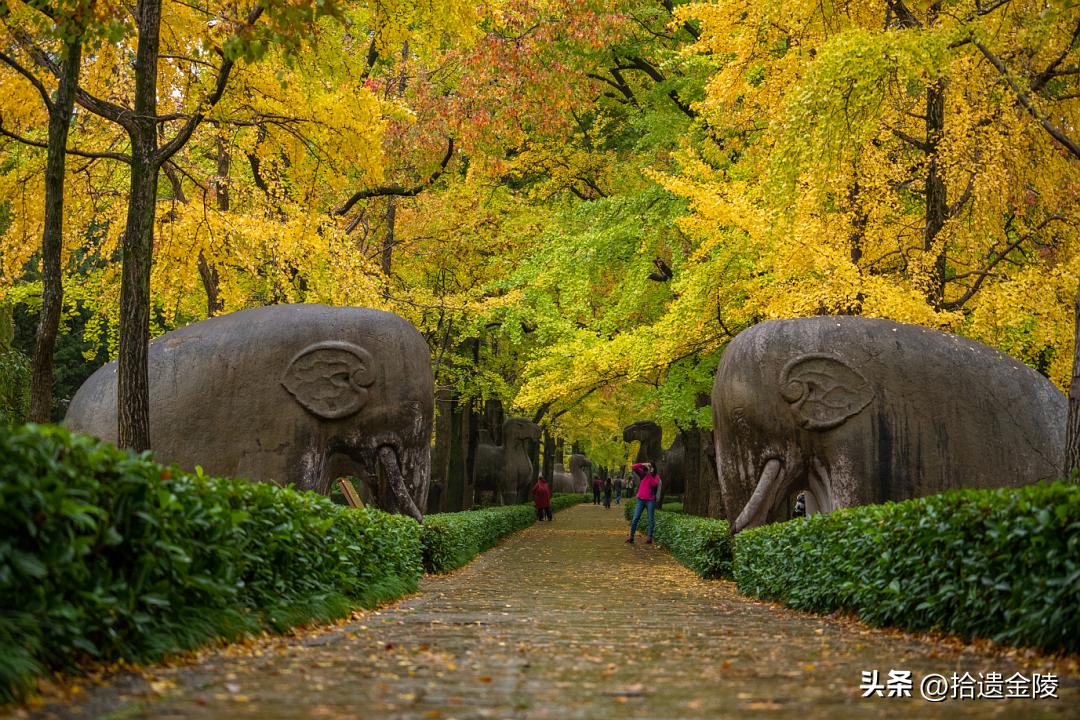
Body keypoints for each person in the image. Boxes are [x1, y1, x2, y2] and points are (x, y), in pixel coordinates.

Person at [626, 462, 660, 544]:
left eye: (650, 467)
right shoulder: (643, 473)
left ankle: (649, 538)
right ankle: (631, 537)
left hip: (650, 500)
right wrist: (642, 464)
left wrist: (649, 474)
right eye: (648, 467)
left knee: (650, 519)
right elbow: (633, 467)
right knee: (635, 518)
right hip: (640, 500)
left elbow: (654, 484)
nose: (648, 468)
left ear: (653, 468)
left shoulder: (656, 476)